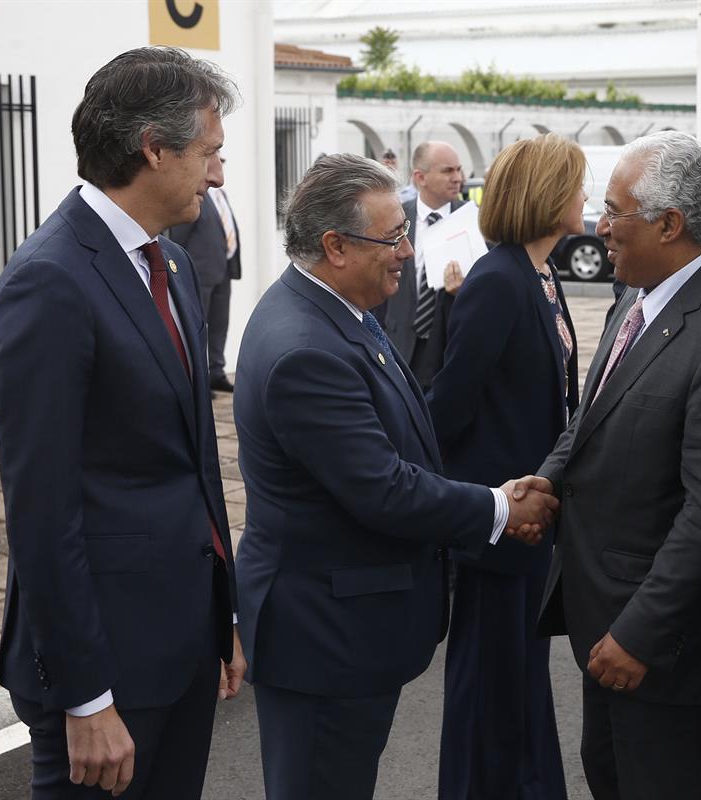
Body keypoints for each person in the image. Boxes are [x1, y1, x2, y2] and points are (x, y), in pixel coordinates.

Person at [231, 153, 559, 800]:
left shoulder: (339, 313)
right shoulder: (306, 349)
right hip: (323, 636)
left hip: (344, 629)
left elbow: (411, 439)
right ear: (335, 245)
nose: (409, 252)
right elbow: (382, 487)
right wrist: (498, 508)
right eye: (393, 237)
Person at [0, 47, 245, 798]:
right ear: (152, 149)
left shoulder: (173, 267)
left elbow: (194, 464)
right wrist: (85, 693)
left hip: (181, 645)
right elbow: (42, 509)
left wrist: (220, 616)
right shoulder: (49, 281)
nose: (218, 175)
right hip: (106, 675)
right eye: (208, 154)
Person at [517, 131, 701, 800]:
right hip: (609, 618)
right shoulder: (638, 294)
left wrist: (639, 635)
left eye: (614, 211)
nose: (599, 227)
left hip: (666, 645)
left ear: (670, 225)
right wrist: (547, 478)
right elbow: (594, 413)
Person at [429, 133, 581, 800]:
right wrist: (491, 504)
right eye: (575, 184)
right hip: (501, 525)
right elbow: (446, 410)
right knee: (488, 688)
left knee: (521, 681)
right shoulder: (498, 280)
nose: (587, 197)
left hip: (536, 519)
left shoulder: (540, 273)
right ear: (548, 197)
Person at [373, 140, 465, 390]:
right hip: (398, 347)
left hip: (449, 352)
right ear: (420, 177)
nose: (457, 178)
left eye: (459, 169)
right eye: (448, 171)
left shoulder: (472, 221)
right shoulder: (395, 218)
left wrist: (462, 292)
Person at [169, 159, 241, 393]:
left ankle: (216, 372)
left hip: (222, 271)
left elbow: (228, 229)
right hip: (200, 272)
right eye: (213, 162)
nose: (218, 170)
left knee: (220, 324)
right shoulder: (193, 197)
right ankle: (198, 379)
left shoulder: (221, 196)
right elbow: (178, 237)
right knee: (197, 326)